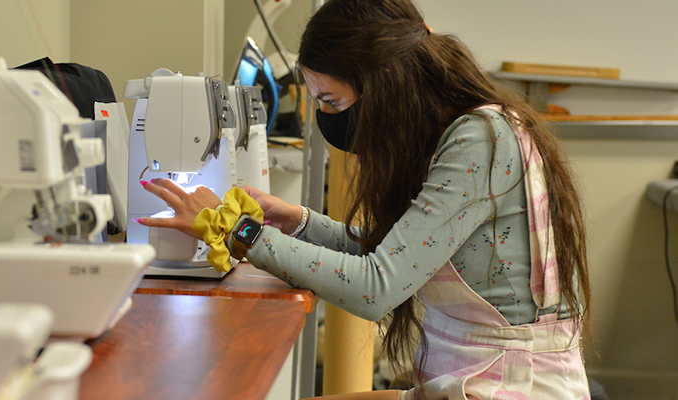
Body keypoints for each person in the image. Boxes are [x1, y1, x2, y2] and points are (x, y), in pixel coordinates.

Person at [135, 0, 592, 399]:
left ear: (386, 86)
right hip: (467, 378)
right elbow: (392, 252)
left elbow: (375, 287)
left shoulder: (481, 141)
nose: (325, 117)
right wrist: (296, 221)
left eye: (332, 102)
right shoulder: (457, 134)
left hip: (509, 387)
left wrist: (233, 229)